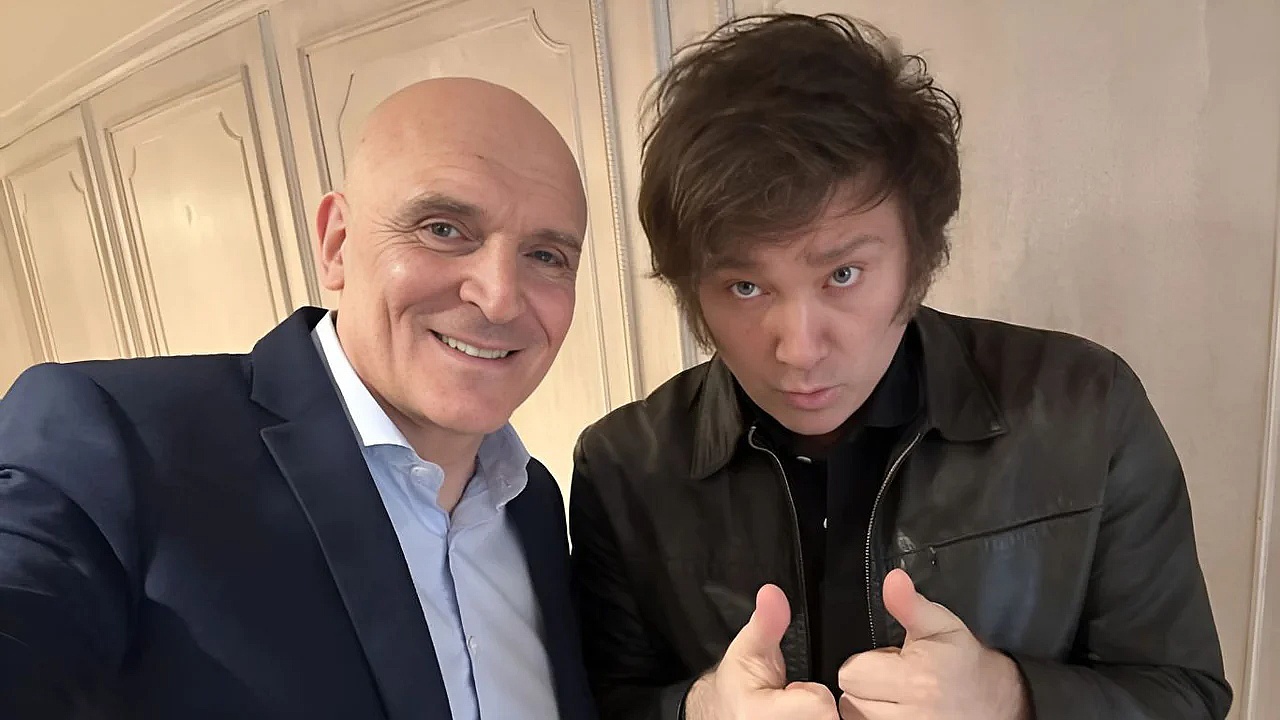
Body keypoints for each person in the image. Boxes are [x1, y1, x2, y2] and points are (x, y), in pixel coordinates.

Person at [569, 13, 1231, 720]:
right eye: (746, 287)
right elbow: (605, 701)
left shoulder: (1084, 408)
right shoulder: (624, 467)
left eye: (843, 274)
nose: (799, 349)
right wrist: (699, 709)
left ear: (918, 258)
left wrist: (1011, 698)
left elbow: (1185, 694)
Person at [0, 77, 595, 720]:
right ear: (337, 244)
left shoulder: (533, 500)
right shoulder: (115, 441)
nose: (500, 297)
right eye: (444, 229)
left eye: (545, 255)